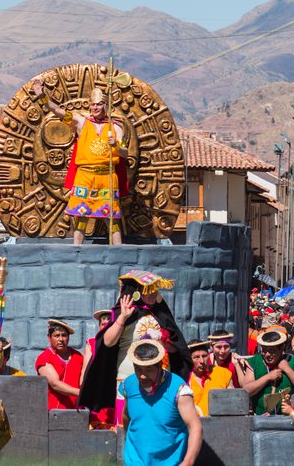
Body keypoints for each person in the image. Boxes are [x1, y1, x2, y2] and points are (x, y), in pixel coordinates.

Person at [79, 270, 191, 426]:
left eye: (155, 289)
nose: (153, 293)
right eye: (148, 290)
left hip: (160, 377)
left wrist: (165, 342)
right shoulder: (124, 313)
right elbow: (108, 342)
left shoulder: (161, 313)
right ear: (137, 292)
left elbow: (176, 349)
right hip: (128, 377)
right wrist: (122, 318)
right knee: (128, 424)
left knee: (157, 423)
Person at [32, 81, 129, 245]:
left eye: (99, 104)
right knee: (81, 216)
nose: (95, 108)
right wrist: (41, 96)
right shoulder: (80, 122)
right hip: (85, 176)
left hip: (107, 179)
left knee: (111, 219)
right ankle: (76, 251)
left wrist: (116, 146)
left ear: (106, 105)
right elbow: (57, 111)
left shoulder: (116, 127)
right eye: (93, 105)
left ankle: (118, 253)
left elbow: (125, 153)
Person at [121, 340, 202, 466]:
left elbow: (195, 427)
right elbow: (126, 416)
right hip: (134, 461)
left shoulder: (179, 390)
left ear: (159, 366)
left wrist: (188, 462)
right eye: (138, 370)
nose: (142, 376)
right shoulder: (129, 385)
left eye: (148, 370)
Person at [243, 330, 294, 415]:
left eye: (272, 350)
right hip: (260, 418)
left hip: (288, 418)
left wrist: (287, 369)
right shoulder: (254, 362)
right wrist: (267, 377)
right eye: (264, 350)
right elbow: (246, 390)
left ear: (281, 349)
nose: (267, 354)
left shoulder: (293, 361)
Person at [36, 319, 83, 410]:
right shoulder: (44, 358)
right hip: (52, 413)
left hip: (76, 412)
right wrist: (82, 393)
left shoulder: (78, 356)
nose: (61, 339)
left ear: (68, 337)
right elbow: (55, 384)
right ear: (49, 337)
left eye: (64, 335)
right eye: (57, 336)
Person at [80, 310, 113, 428]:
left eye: (110, 323)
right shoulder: (92, 343)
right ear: (99, 326)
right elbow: (85, 370)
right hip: (97, 388)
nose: (106, 327)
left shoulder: (121, 343)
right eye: (103, 324)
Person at [187, 339, 233, 416]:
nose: (202, 361)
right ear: (190, 359)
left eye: (204, 356)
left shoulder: (223, 373)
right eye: (196, 357)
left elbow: (233, 401)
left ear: (209, 355)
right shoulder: (185, 378)